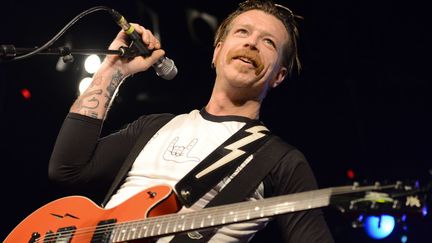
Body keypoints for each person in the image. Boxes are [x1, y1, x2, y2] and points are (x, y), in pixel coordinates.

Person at [48, 0, 334, 242]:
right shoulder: (155, 126)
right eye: (243, 32)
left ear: (279, 76)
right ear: (217, 51)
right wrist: (113, 70)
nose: (252, 43)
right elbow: (67, 169)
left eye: (268, 42)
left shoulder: (280, 160)